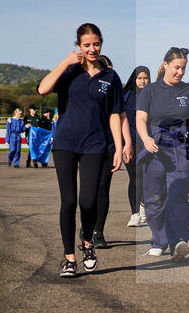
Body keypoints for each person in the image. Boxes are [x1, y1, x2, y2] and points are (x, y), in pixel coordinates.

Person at [38, 23, 124, 278]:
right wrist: (65, 62)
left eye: (96, 44)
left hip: (95, 145)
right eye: (86, 45)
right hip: (65, 143)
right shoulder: (69, 72)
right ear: (78, 46)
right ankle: (68, 258)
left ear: (101, 43)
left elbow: (114, 116)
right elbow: (43, 89)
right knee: (68, 202)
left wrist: (118, 147)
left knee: (88, 201)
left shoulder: (110, 77)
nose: (92, 49)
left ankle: (87, 242)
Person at [136, 47, 189, 260]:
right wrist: (145, 138)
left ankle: (179, 240)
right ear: (165, 65)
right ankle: (159, 240)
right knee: (154, 197)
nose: (180, 72)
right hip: (155, 145)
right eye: (176, 68)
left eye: (183, 68)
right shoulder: (150, 90)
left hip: (183, 145)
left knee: (178, 194)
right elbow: (141, 119)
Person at [90, 55, 133, 248]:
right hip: (89, 144)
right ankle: (87, 226)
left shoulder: (114, 91)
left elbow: (122, 117)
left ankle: (98, 231)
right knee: (89, 190)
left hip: (108, 144)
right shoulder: (90, 91)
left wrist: (126, 143)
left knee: (102, 188)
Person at [124, 66, 150, 227]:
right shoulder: (125, 96)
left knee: (145, 177)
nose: (142, 81)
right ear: (134, 79)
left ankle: (142, 206)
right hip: (130, 142)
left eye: (145, 77)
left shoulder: (152, 95)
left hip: (147, 141)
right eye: (139, 78)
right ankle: (135, 213)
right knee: (135, 176)